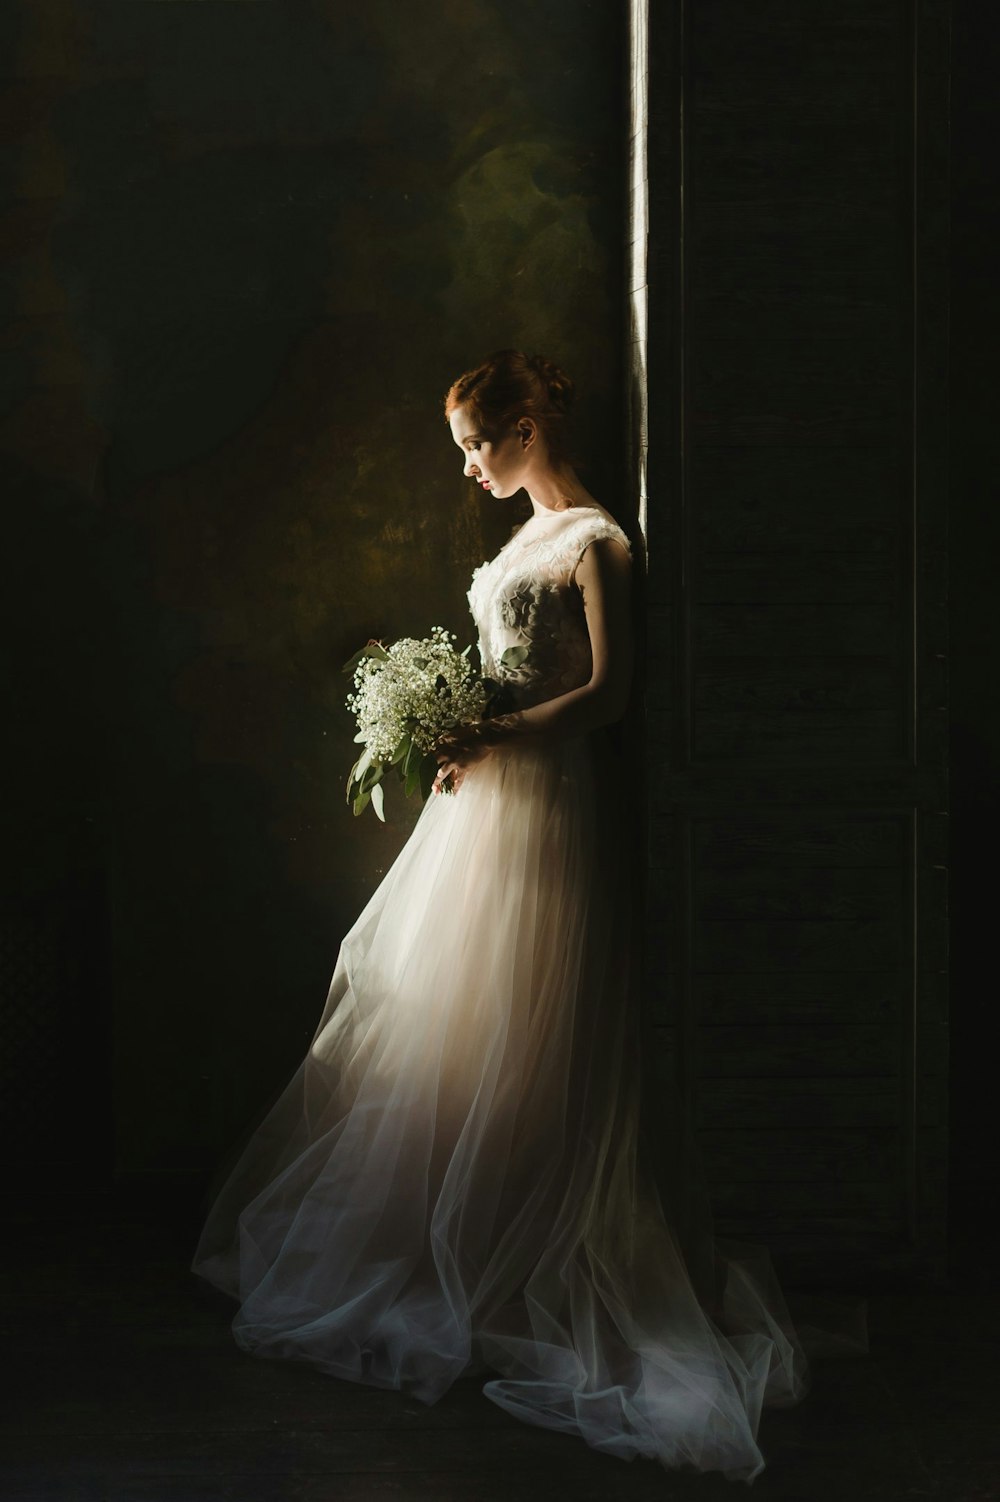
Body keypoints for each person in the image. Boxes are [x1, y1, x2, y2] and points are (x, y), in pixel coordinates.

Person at [191, 349, 847, 1483]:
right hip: (485, 801)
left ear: (525, 427)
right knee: (446, 1007)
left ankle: (521, 1244)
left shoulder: (598, 540)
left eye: (471, 445)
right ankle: (458, 1235)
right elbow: (511, 666)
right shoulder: (523, 537)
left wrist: (489, 732)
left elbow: (606, 694)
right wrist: (449, 718)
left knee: (529, 1012)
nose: (464, 469)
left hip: (547, 802)